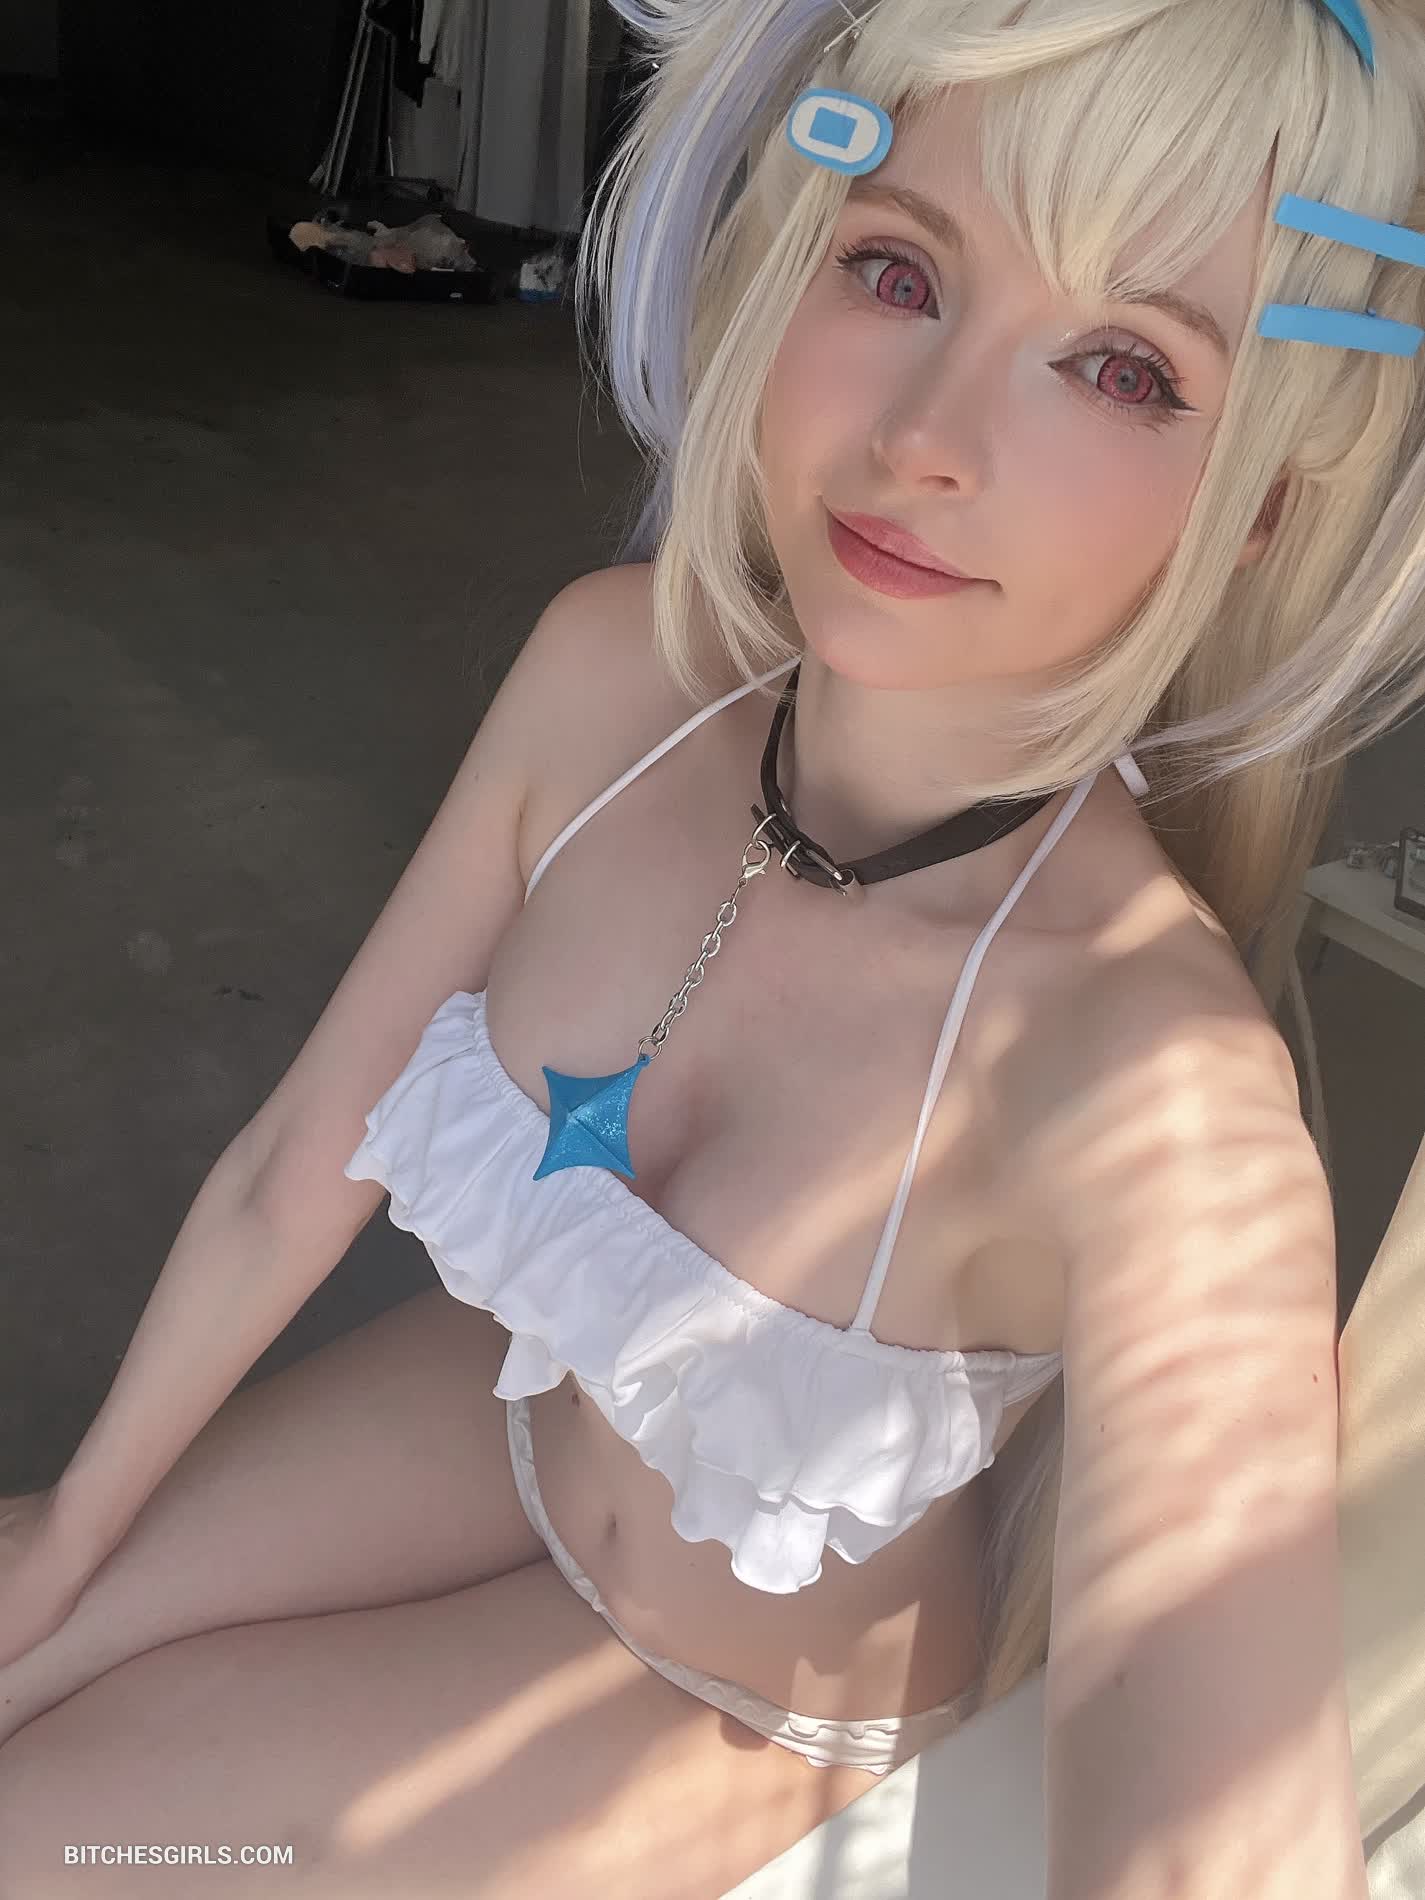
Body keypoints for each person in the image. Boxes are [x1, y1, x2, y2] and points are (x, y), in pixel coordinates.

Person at [2, 1, 1423, 1894]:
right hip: (519, 1418)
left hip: (726, 1695)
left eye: (1119, 368)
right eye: (897, 270)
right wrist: (70, 1536)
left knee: (51, 1831)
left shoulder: (1159, 1098)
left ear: (1257, 508)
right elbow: (290, 1171)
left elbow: (1217, 1830)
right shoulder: (610, 673)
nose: (922, 440)